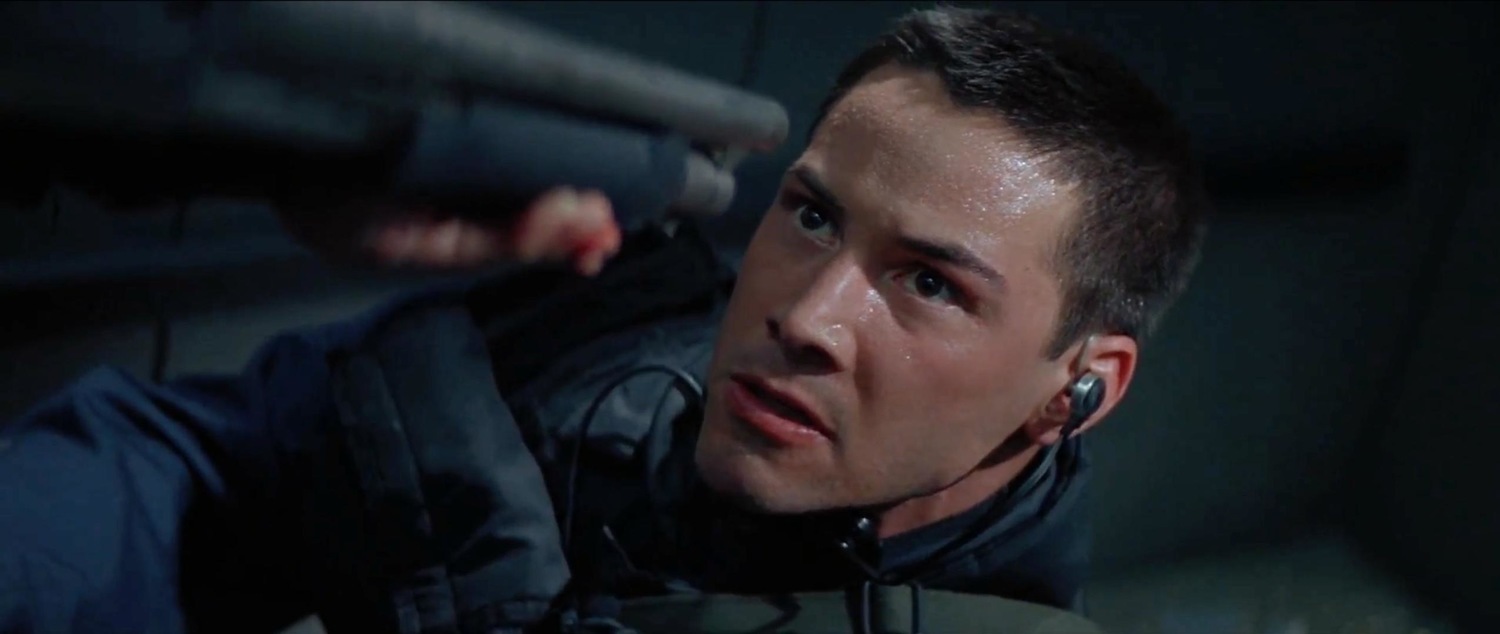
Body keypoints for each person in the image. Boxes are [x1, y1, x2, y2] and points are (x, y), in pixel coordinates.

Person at [0, 6, 1208, 634]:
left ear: (1078, 387)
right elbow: (207, 468)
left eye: (931, 284)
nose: (810, 316)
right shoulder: (610, 337)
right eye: (811, 216)